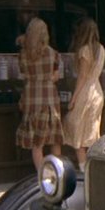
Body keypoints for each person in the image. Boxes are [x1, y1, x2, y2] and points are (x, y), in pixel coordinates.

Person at [15, 17, 63, 172]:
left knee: (37, 144)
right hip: (49, 98)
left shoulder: (23, 55)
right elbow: (55, 76)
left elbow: (23, 74)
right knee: (55, 139)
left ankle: (42, 175)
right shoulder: (53, 54)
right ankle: (57, 173)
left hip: (31, 98)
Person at [63, 18, 105, 172]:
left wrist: (73, 99)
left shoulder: (84, 51)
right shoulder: (101, 49)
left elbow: (82, 77)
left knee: (77, 130)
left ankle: (83, 168)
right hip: (98, 91)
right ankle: (93, 166)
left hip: (86, 92)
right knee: (92, 131)